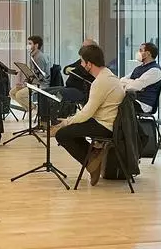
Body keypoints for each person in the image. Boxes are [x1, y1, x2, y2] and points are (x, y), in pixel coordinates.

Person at [52, 44, 125, 186]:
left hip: (105, 126)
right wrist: (70, 121)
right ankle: (93, 156)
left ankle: (91, 162)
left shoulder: (101, 82)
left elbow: (86, 114)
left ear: (89, 64)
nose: (80, 64)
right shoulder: (108, 75)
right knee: (70, 129)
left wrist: (65, 122)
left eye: (82, 61)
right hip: (106, 123)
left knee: (62, 134)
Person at [9, 36, 52, 112]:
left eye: (30, 43)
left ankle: (34, 108)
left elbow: (40, 77)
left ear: (36, 45)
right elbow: (32, 74)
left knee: (20, 95)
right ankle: (30, 109)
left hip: (41, 84)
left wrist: (25, 84)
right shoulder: (33, 56)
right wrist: (24, 83)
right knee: (12, 93)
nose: (28, 46)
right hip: (33, 83)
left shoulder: (39, 57)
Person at [120, 42, 161, 113]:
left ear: (148, 53)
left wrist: (132, 84)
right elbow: (121, 81)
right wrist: (134, 83)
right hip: (133, 100)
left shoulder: (155, 70)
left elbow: (135, 86)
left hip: (143, 104)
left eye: (140, 50)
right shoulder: (138, 68)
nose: (138, 53)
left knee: (117, 104)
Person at [63, 38, 97, 103]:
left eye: (84, 47)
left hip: (81, 90)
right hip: (70, 87)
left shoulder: (92, 62)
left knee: (53, 94)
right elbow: (66, 68)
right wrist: (68, 69)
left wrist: (73, 70)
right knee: (47, 92)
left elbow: (81, 71)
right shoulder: (81, 60)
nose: (82, 48)